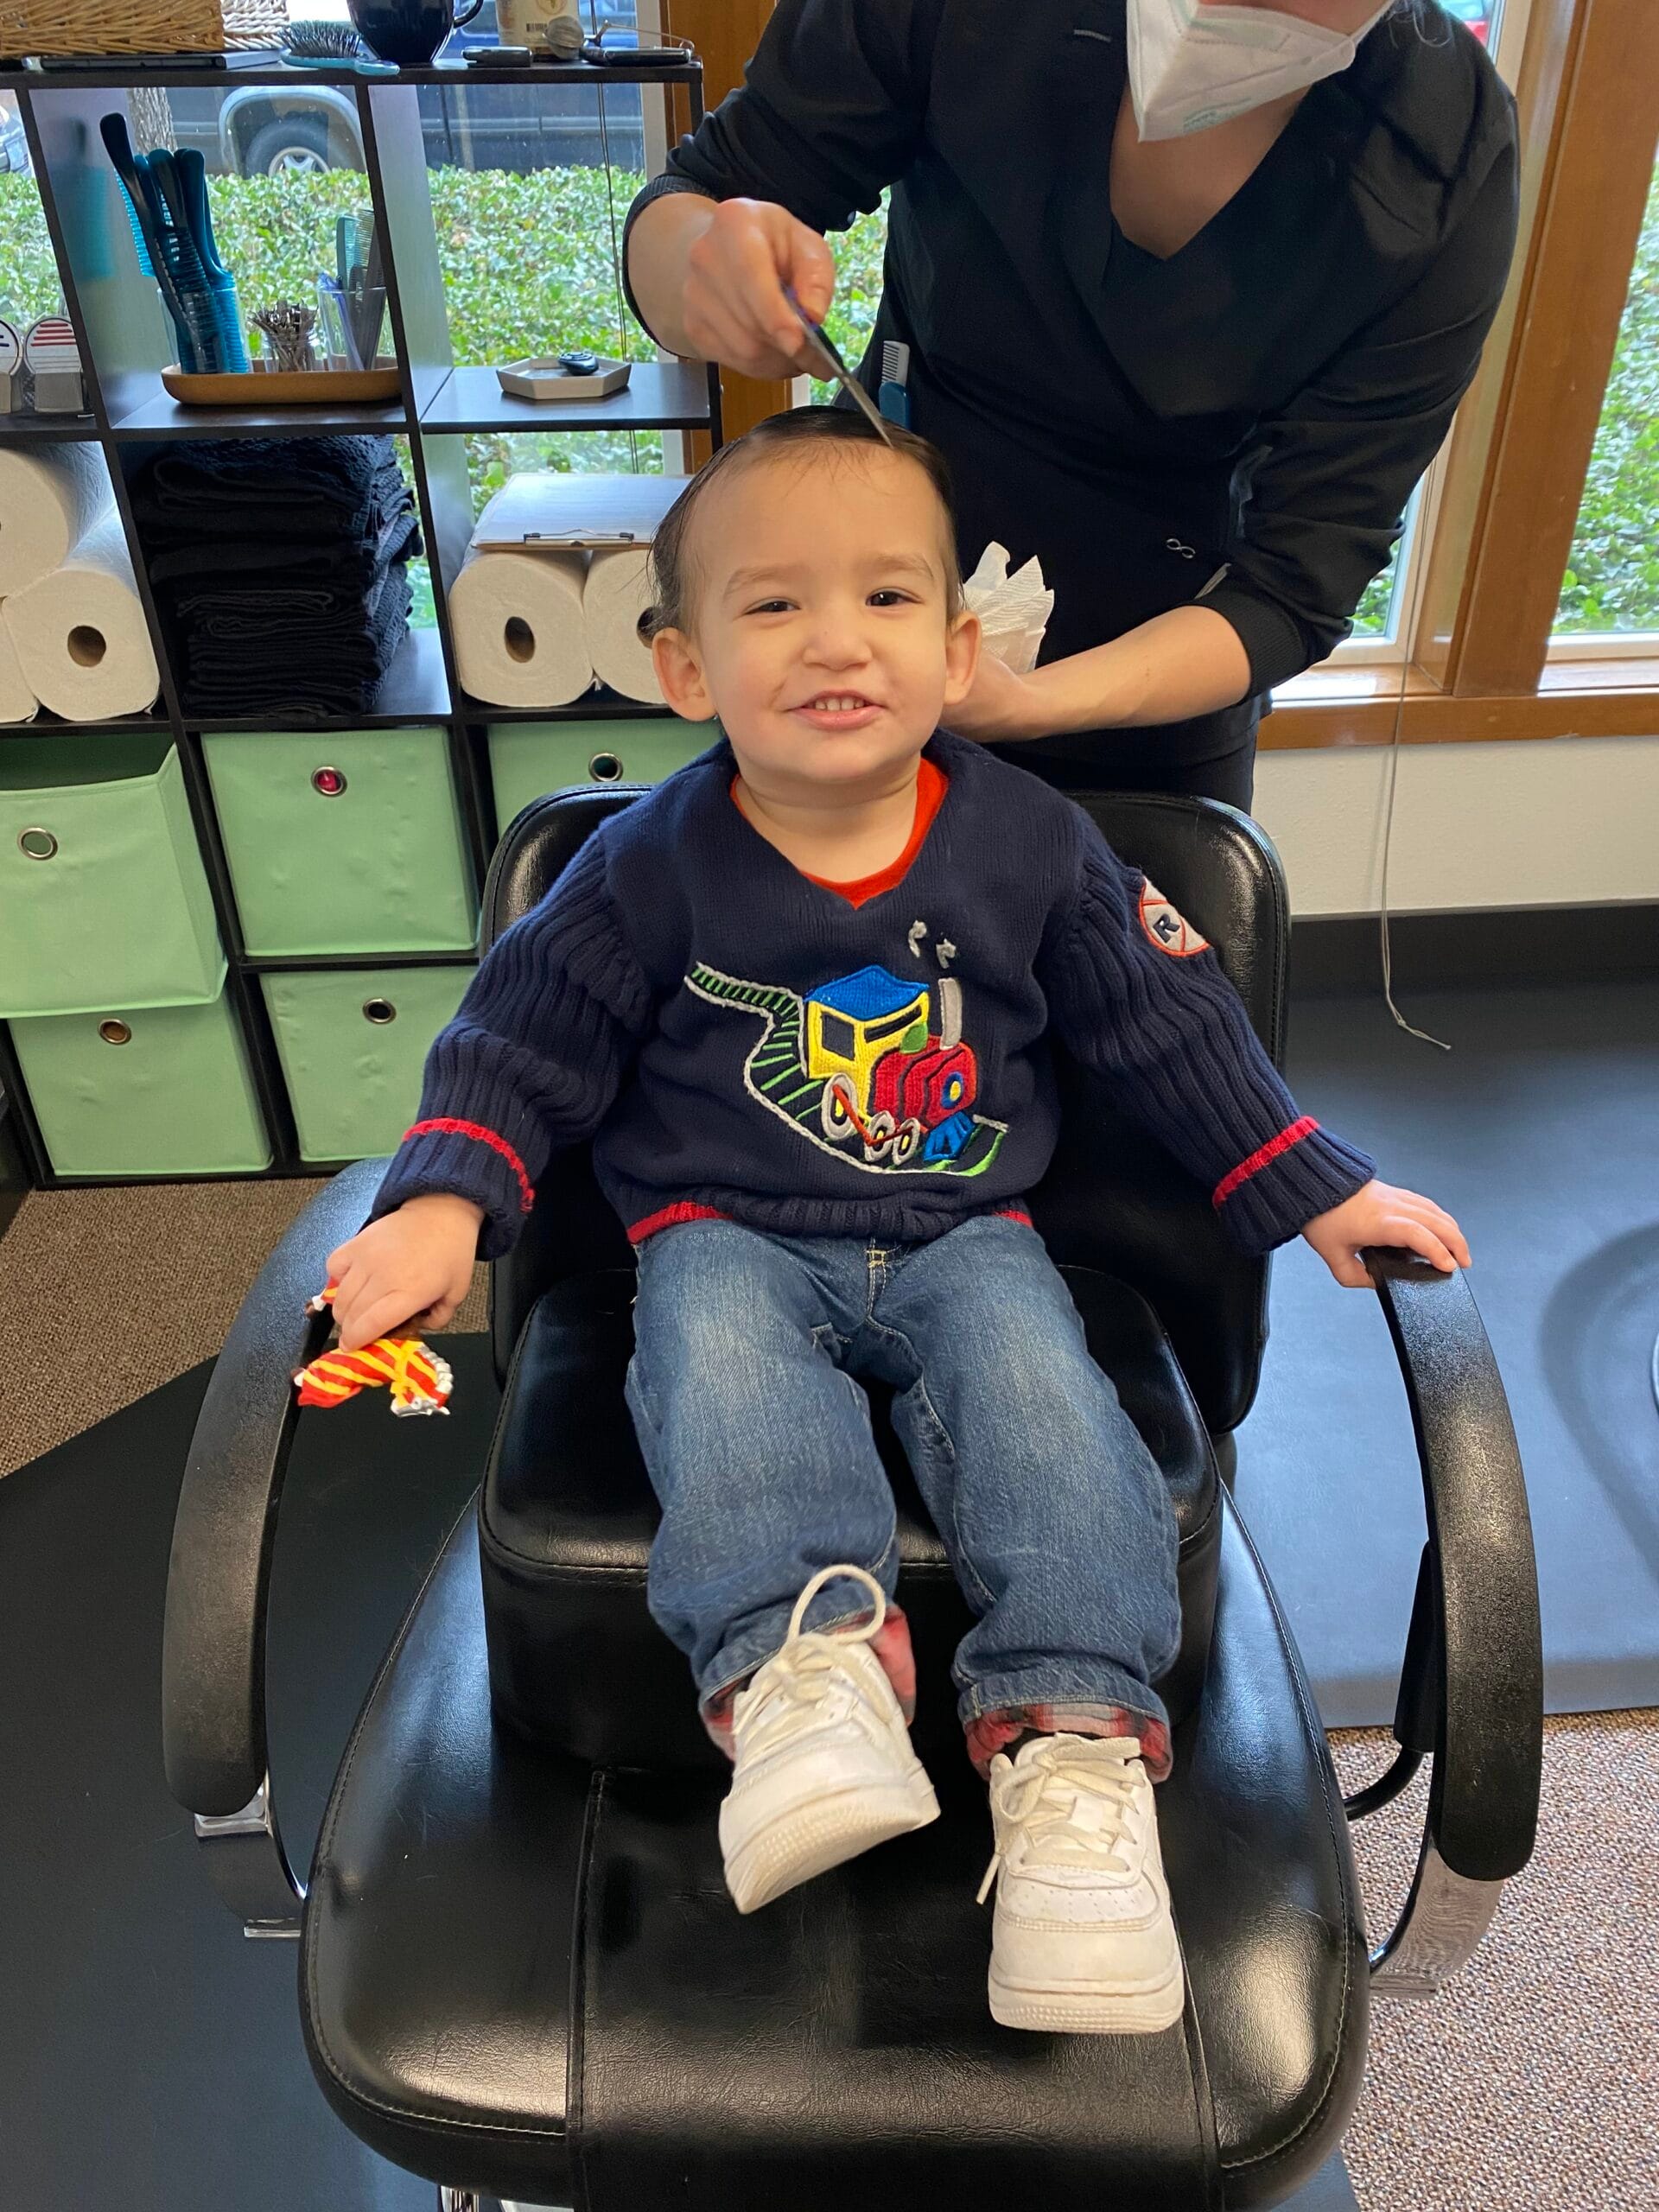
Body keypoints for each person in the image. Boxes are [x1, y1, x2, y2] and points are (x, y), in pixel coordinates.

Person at [321, 409, 1469, 2034]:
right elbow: (517, 1043)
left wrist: (1318, 1185)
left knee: (1047, 1419)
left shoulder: (1029, 846)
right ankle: (808, 1685)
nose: (834, 641)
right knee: (723, 1385)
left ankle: (1074, 1769)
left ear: (958, 642)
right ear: (685, 671)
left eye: (885, 599)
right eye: (773, 605)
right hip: (718, 1229)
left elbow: (1173, 1031)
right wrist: (446, 1198)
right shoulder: (644, 867)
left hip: (966, 1236)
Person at [623, 0, 1520, 808]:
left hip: (1152, 698)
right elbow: (701, 191)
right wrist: (696, 260)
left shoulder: (1441, 161)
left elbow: (1296, 582)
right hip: (879, 586)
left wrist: (1033, 701)